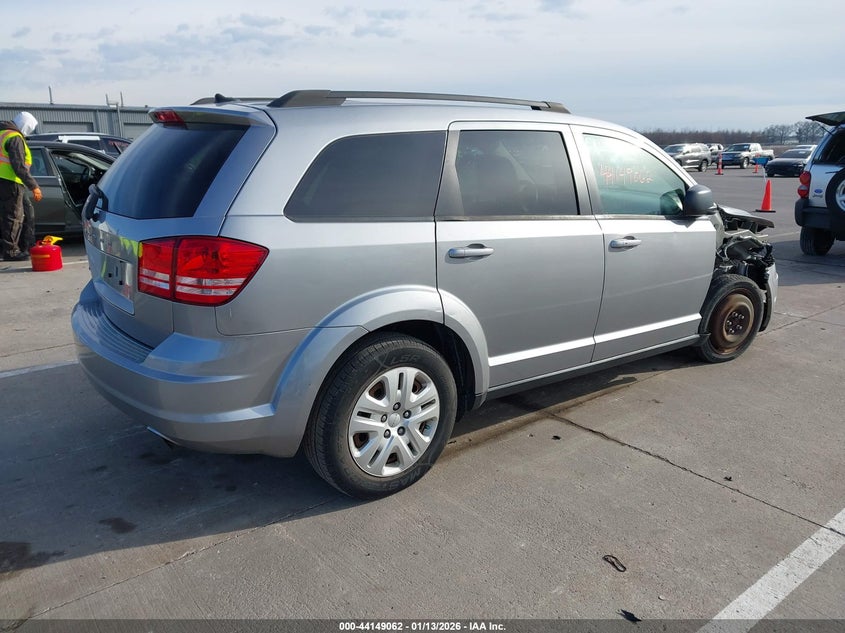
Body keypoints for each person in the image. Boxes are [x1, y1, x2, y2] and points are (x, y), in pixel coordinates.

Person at [0, 111, 42, 261]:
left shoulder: (3, 133)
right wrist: (34, 186)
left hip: (6, 181)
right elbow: (18, 166)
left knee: (21, 214)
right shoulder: (14, 137)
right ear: (25, 125)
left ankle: (24, 245)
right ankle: (11, 252)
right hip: (11, 181)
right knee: (13, 217)